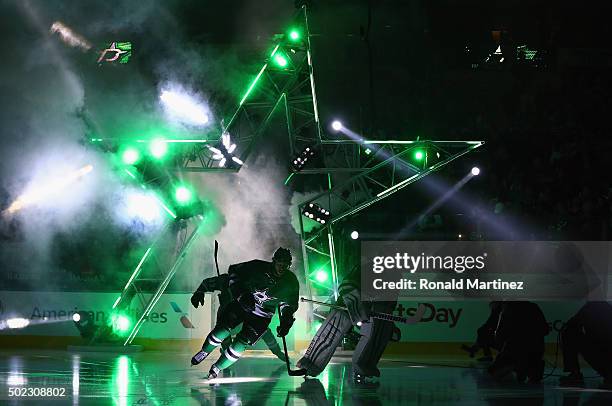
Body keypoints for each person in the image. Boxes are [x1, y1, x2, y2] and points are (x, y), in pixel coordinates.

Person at [190, 247, 299, 378]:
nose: (282, 268)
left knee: (241, 343)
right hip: (242, 305)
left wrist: (286, 320)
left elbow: (289, 304)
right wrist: (240, 294)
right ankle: (204, 351)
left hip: (262, 316)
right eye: (280, 264)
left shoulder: (291, 282)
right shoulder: (257, 267)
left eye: (286, 265)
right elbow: (232, 273)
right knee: (222, 331)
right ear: (273, 261)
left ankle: (217, 368)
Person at [297, 265, 399, 383]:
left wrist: (388, 321)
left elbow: (389, 303)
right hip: (348, 306)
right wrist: (357, 304)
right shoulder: (370, 265)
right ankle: (311, 362)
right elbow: (347, 286)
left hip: (372, 310)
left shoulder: (395, 275)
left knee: (379, 332)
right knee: (332, 330)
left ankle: (364, 365)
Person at [190, 262, 287, 362]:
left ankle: (277, 352)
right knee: (223, 331)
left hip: (249, 315)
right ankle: (224, 353)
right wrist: (199, 292)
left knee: (263, 331)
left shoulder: (255, 281)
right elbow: (208, 283)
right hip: (228, 315)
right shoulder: (227, 280)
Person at [487, 301, 550, 383]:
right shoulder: (533, 307)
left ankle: (516, 366)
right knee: (534, 372)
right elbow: (545, 330)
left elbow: (499, 336)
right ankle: (527, 370)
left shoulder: (507, 309)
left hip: (514, 352)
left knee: (492, 373)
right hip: (535, 353)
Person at [560, 301, 612, 387]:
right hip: (606, 361)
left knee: (569, 332)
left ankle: (575, 373)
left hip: (603, 361)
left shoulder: (588, 309)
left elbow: (571, 324)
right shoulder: (606, 308)